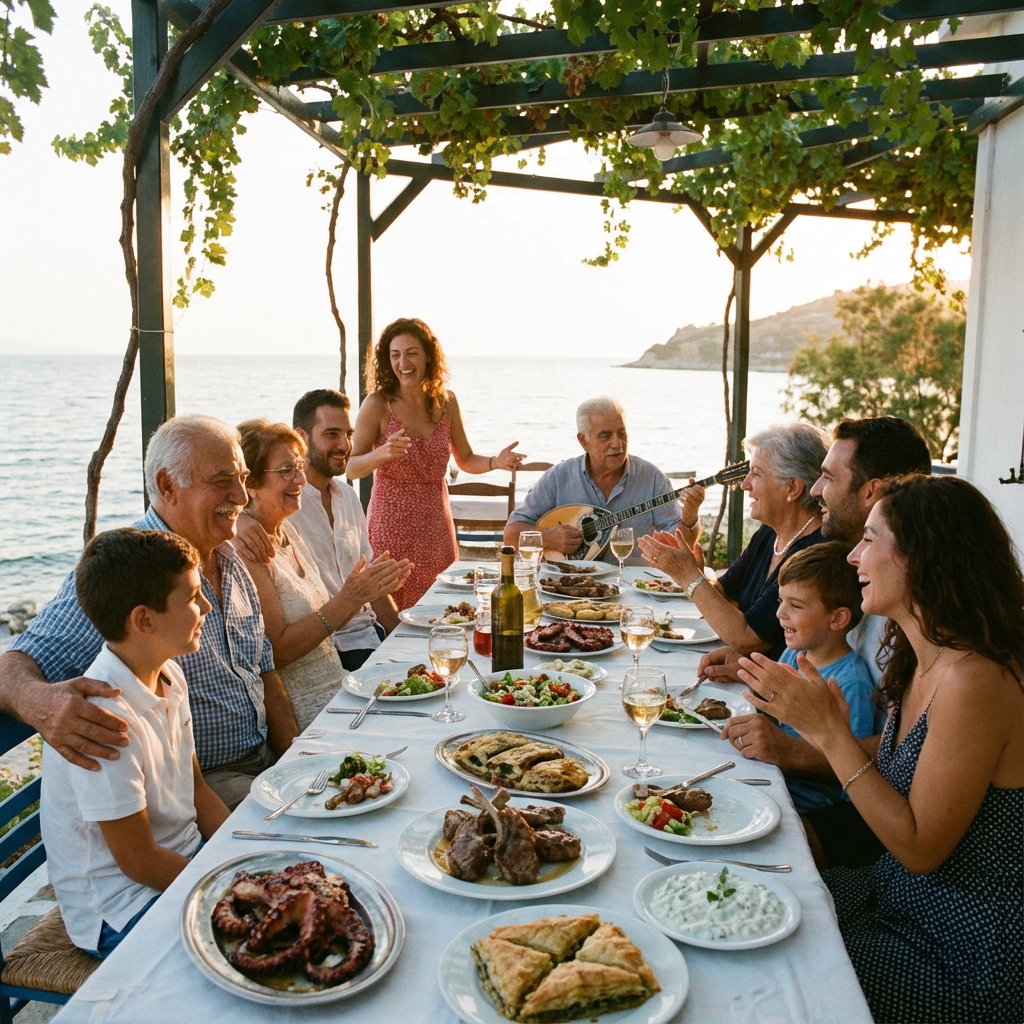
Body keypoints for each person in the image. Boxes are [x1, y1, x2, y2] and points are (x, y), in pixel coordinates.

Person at [736, 476, 1022, 1024]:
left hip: (957, 945)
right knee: (745, 893)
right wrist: (826, 731)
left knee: (768, 978)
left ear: (920, 558)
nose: (853, 555)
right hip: (893, 894)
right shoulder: (921, 654)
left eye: (869, 539)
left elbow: (919, 849)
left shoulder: (975, 681)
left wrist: (827, 735)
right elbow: (906, 766)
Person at [0, 415, 300, 809]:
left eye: (243, 478)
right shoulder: (129, 573)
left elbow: (263, 667)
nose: (242, 497)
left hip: (266, 764)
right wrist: (40, 703)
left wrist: (295, 755)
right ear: (167, 485)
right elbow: (12, 666)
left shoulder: (229, 558)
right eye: (222, 480)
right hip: (200, 788)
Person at [715, 416, 931, 869]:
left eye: (828, 478)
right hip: (857, 796)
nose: (815, 490)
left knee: (735, 850)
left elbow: (907, 754)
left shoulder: (931, 633)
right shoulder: (857, 576)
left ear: (872, 492)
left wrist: (800, 747)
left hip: (869, 821)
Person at [42, 529, 230, 956]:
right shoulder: (102, 719)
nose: (205, 607)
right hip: (123, 905)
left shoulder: (170, 674)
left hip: (183, 861)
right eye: (192, 597)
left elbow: (197, 791)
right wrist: (228, 885)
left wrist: (245, 852)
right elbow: (138, 861)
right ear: (144, 620)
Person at [234, 420, 409, 730]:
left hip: (343, 691)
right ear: (250, 483)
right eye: (286, 470)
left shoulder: (288, 529)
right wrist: (350, 599)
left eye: (299, 466)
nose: (301, 478)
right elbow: (277, 652)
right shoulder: (248, 549)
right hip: (308, 715)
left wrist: (367, 594)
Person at [348, 318, 525, 608]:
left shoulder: (446, 402)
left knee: (442, 606)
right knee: (393, 608)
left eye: (411, 352)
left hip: (436, 525)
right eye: (395, 355)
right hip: (392, 523)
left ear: (428, 356)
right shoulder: (378, 403)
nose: (403, 362)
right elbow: (352, 467)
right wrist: (382, 454)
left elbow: (465, 459)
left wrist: (496, 461)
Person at [639, 422, 828, 659]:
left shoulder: (815, 554)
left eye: (756, 473)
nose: (745, 484)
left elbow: (748, 639)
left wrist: (689, 576)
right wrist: (693, 570)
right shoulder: (770, 534)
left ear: (792, 488)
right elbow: (726, 595)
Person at [762, 543, 878, 860]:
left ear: (838, 618)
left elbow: (846, 774)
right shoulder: (796, 652)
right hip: (777, 780)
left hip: (807, 802)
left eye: (795, 605)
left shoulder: (849, 683)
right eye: (779, 601)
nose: (779, 614)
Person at [504, 396, 698, 562]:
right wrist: (545, 538)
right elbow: (511, 536)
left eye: (622, 433)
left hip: (634, 589)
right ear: (583, 441)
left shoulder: (653, 478)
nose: (617, 443)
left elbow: (682, 545)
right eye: (605, 436)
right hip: (569, 586)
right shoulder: (558, 477)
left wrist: (690, 515)